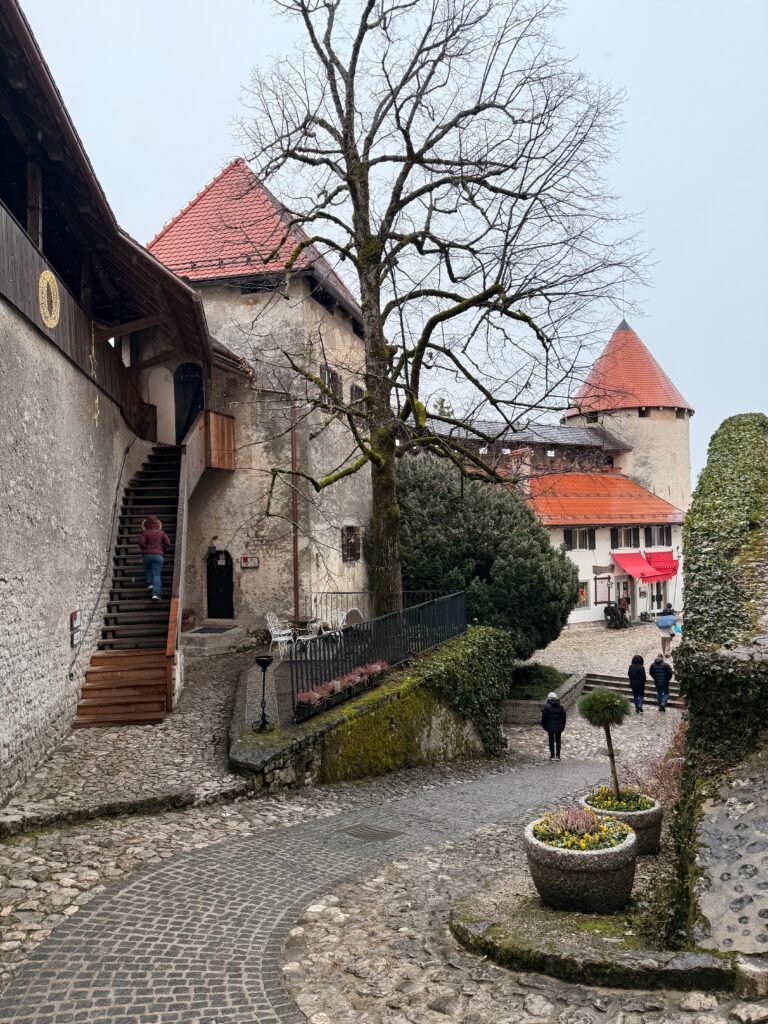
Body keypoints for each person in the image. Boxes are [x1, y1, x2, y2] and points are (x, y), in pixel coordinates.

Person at [137, 515, 171, 600]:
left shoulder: (145, 532)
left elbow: (141, 542)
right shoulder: (161, 532)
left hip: (147, 555)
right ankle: (156, 594)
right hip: (158, 556)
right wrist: (162, 549)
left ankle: (150, 584)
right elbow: (168, 542)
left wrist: (146, 548)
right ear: (157, 523)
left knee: (148, 569)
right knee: (156, 574)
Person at [541, 691, 567, 761]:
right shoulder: (560, 706)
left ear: (549, 698)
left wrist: (544, 726)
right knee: (558, 740)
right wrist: (563, 726)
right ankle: (558, 756)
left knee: (551, 740)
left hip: (550, 727)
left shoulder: (546, 707)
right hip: (559, 727)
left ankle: (552, 755)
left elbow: (544, 718)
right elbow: (564, 717)